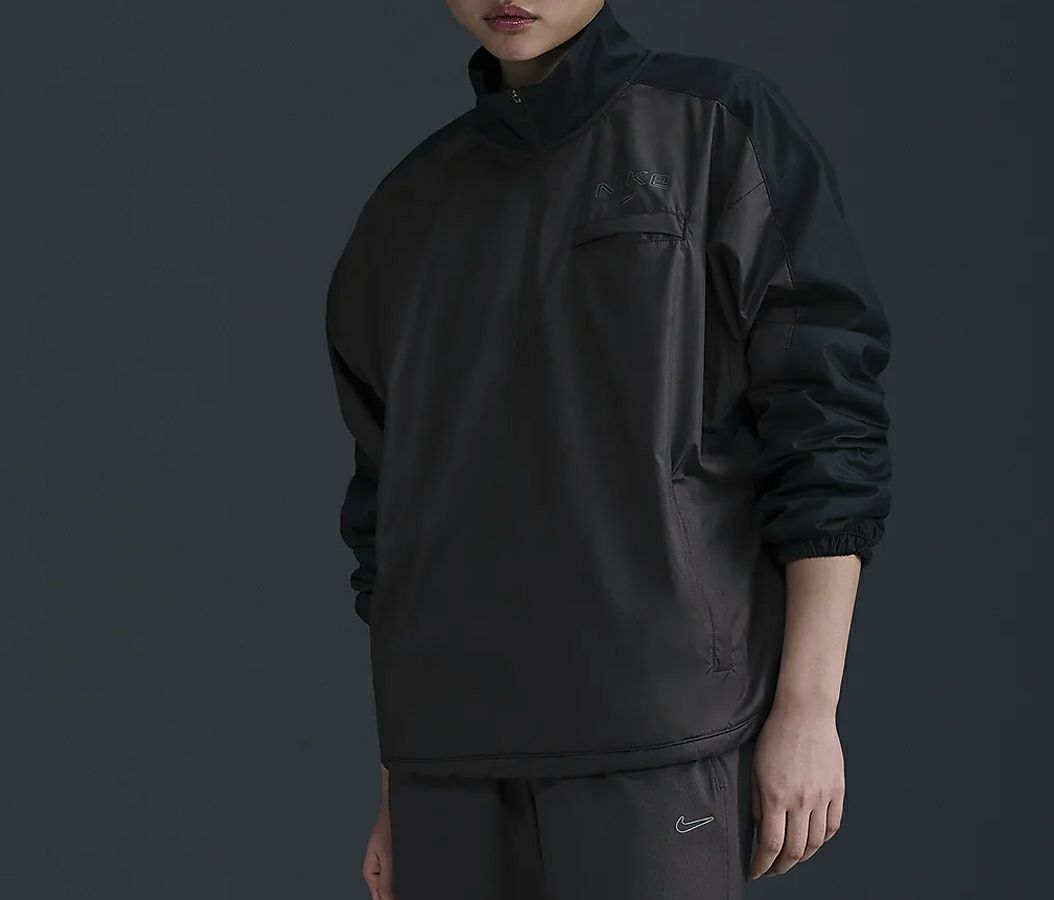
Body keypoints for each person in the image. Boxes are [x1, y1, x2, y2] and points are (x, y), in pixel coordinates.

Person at [323, 1, 892, 897]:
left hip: (658, 734)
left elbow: (823, 418)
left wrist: (808, 710)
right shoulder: (405, 210)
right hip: (446, 762)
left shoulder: (717, 128)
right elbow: (389, 518)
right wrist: (401, 778)